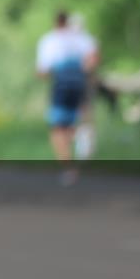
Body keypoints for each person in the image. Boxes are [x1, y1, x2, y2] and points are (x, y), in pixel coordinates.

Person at [36, 10, 98, 185]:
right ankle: (80, 134)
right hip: (80, 83)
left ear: (56, 23)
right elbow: (93, 58)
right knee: (72, 122)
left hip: (61, 85)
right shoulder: (81, 37)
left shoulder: (50, 40)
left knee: (57, 129)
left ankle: (69, 169)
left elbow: (43, 70)